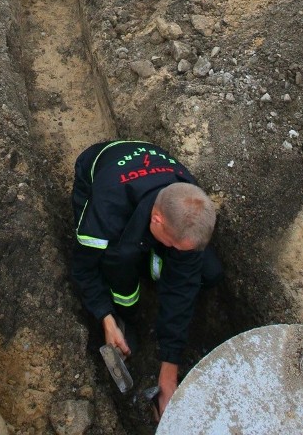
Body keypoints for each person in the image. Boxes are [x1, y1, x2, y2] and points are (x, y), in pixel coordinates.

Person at [71, 140, 220, 420]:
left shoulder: (190, 201)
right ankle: (126, 313)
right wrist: (106, 317)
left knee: (209, 273)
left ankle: (150, 262)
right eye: (175, 247)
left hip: (148, 177)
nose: (178, 254)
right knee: (119, 260)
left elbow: (182, 287)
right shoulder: (106, 211)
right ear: (157, 221)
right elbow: (83, 269)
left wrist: (169, 373)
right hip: (98, 172)